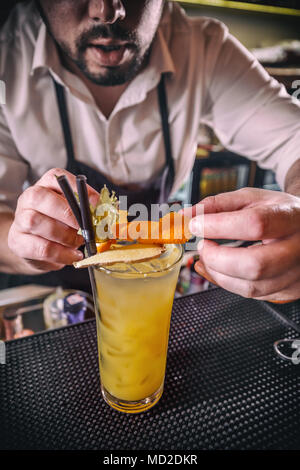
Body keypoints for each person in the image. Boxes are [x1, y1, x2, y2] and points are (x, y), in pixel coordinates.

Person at [0, 0, 300, 301]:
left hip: (150, 283)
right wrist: (26, 244)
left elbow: (293, 136)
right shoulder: (6, 61)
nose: (107, 12)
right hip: (49, 298)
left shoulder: (203, 48)